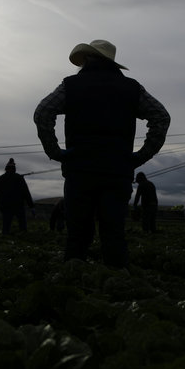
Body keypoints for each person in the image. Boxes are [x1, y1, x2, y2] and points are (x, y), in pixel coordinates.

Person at [34, 39, 170, 268]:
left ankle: (72, 285)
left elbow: (43, 111)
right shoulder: (132, 88)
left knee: (77, 234)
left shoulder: (71, 85)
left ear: (87, 59)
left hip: (79, 170)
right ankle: (117, 287)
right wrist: (140, 156)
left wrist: (55, 151)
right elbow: (161, 117)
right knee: (113, 233)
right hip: (118, 171)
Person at [0, 158, 35, 235]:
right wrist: (31, 206)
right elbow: (26, 192)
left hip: (5, 205)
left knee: (6, 223)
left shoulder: (0, 179)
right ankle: (23, 234)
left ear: (6, 169)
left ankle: (5, 234)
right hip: (18, 205)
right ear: (14, 169)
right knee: (22, 223)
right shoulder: (19, 178)